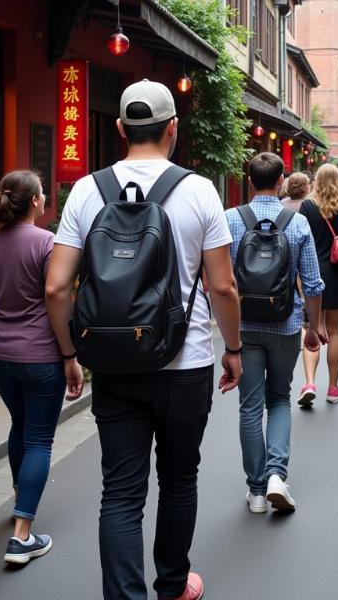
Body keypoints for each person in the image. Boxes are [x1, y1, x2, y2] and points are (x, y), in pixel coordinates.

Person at [45, 79, 242, 600]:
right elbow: (222, 286)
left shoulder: (87, 190)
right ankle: (173, 585)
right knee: (179, 479)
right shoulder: (199, 190)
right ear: (173, 127)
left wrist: (70, 353)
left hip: (113, 362)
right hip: (187, 360)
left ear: (119, 129)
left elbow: (57, 285)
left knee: (121, 492)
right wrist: (235, 350)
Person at [0, 170, 77, 565]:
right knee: (39, 439)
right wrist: (70, 355)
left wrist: (3, 297)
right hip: (41, 355)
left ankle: (18, 500)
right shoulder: (47, 242)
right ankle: (22, 536)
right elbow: (57, 296)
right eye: (42, 194)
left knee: (19, 424)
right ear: (34, 202)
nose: (44, 199)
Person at [226, 154, 326, 513]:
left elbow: (221, 284)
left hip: (244, 327)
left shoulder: (230, 220)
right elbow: (313, 284)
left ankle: (255, 491)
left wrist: (227, 339)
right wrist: (313, 329)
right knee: (279, 399)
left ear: (250, 180)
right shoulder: (297, 224)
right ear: (281, 180)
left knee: (249, 407)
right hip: (285, 325)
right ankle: (275, 476)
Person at [297, 163, 338, 405]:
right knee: (334, 331)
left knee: (312, 328)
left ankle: (310, 382)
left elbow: (302, 240)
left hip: (313, 273)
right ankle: (333, 388)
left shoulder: (308, 206)